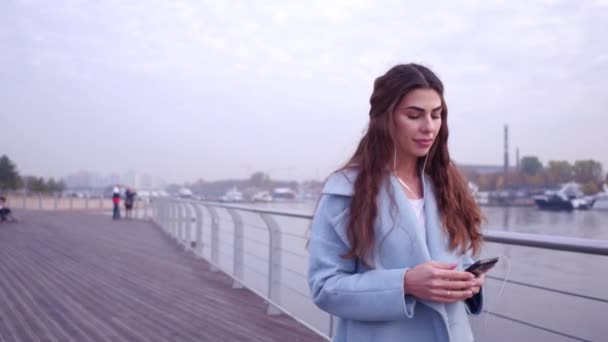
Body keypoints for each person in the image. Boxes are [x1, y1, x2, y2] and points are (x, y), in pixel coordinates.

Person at [307, 63, 485, 342]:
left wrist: (469, 279)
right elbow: (324, 287)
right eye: (414, 115)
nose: (429, 127)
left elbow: (458, 256)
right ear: (385, 118)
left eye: (436, 115)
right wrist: (404, 284)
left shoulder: (447, 184)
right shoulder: (346, 191)